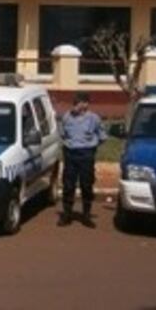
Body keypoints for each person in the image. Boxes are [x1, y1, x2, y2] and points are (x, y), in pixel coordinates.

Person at [58, 92, 107, 228]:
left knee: (86, 185)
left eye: (78, 103)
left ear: (86, 104)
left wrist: (91, 147)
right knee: (68, 185)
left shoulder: (94, 119)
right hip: (70, 154)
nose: (75, 106)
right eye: (74, 103)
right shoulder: (66, 117)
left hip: (86, 155)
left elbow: (102, 136)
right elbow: (62, 134)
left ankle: (86, 215)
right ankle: (67, 214)